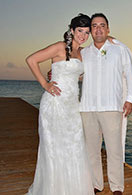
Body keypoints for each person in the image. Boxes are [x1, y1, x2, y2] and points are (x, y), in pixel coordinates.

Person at [25, 14, 95, 195]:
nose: (83, 35)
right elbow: (31, 60)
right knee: (54, 149)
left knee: (74, 147)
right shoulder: (59, 47)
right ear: (71, 30)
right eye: (80, 31)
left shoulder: (82, 53)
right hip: (55, 105)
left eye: (87, 32)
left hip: (72, 107)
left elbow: (76, 75)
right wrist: (45, 84)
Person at [80, 13, 132, 195]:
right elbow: (76, 73)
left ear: (108, 29)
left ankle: (117, 187)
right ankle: (96, 184)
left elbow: (130, 74)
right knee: (91, 151)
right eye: (94, 25)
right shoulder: (83, 53)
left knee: (114, 150)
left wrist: (130, 99)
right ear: (91, 30)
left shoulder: (119, 50)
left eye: (102, 25)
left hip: (112, 107)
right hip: (87, 108)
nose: (98, 29)